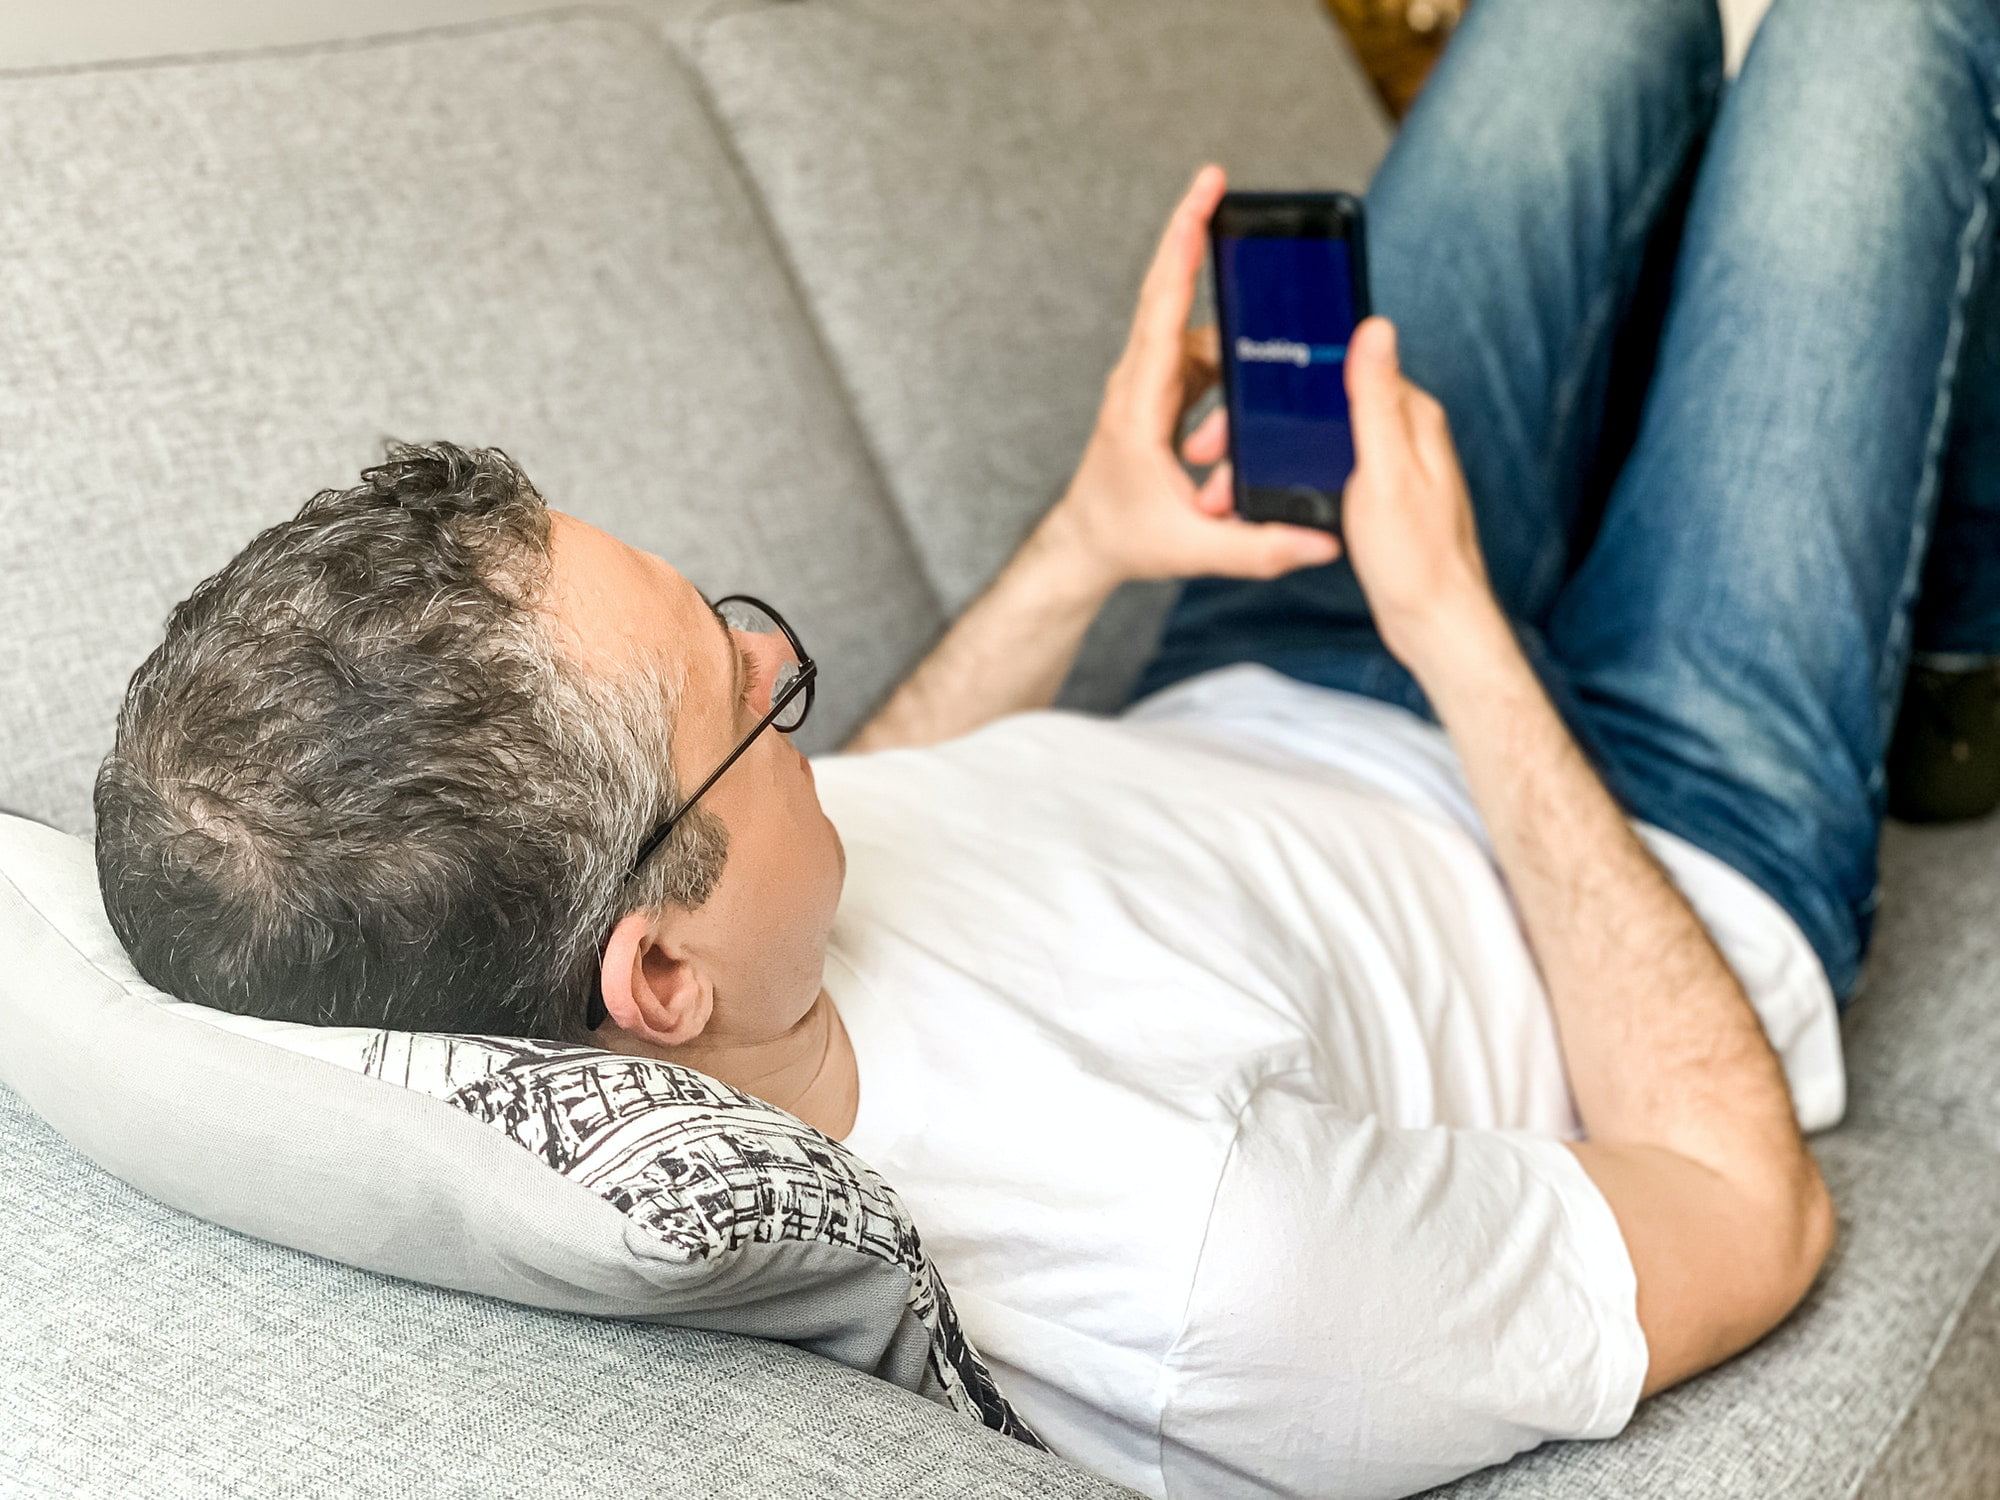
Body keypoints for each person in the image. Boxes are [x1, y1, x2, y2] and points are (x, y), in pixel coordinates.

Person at [91, 0, 2000, 1494]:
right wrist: (1459, 636)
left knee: (1597, 22)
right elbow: (1750, 1209)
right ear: (655, 978)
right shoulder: (1200, 1281)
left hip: (1275, 639)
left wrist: (1094, 539)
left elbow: (871, 811)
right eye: (747, 687)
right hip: (1654, 822)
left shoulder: (706, 945)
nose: (784, 664)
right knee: (1879, 34)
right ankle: (1959, 651)